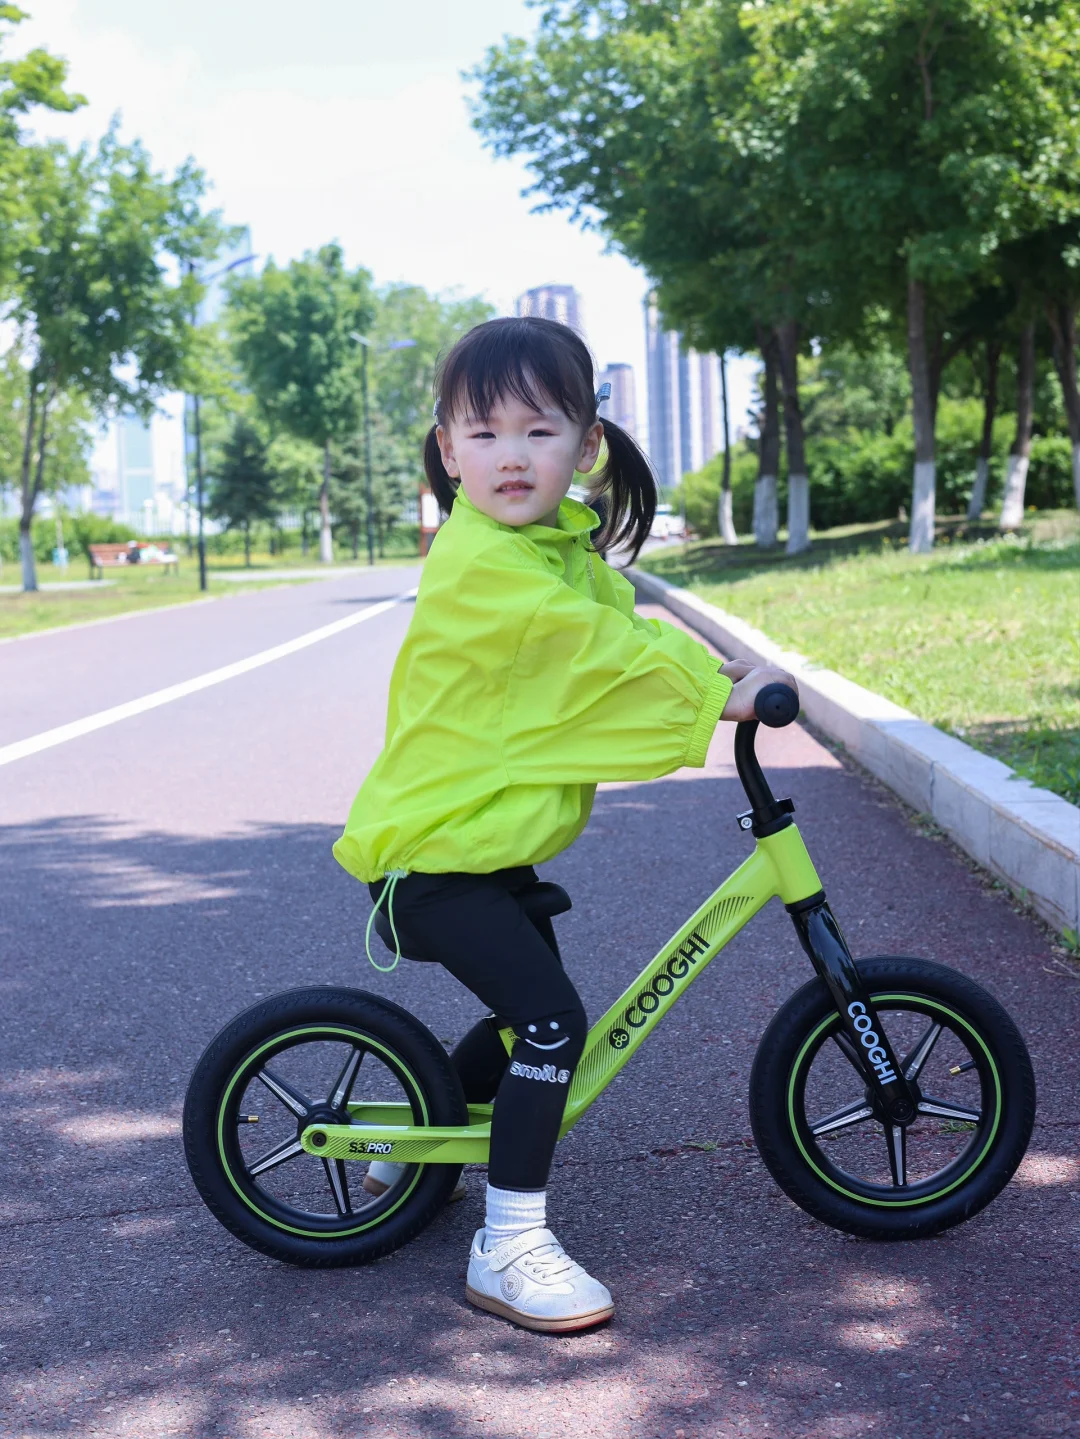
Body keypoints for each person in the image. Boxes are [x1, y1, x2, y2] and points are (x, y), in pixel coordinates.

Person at [333, 315, 796, 1333]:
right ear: (448, 450)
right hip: (436, 858)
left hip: (480, 846)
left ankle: (404, 1138)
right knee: (550, 1024)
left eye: (539, 431)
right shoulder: (485, 565)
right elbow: (586, 652)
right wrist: (708, 702)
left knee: (525, 1017)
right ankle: (509, 1243)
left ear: (585, 445)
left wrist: (706, 672)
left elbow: (615, 625)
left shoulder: (546, 552)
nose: (511, 454)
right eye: (485, 432)